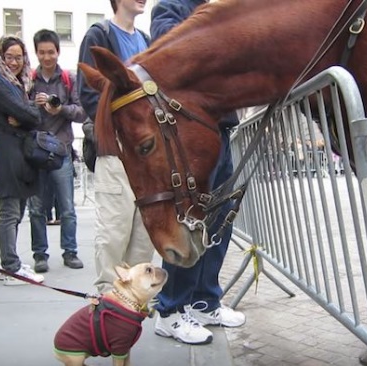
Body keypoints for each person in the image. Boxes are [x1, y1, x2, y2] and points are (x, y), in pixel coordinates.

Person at [150, 0, 245, 345]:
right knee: (190, 221)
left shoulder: (217, 9)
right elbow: (171, 49)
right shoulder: (171, 8)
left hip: (220, 127)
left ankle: (205, 301)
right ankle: (170, 310)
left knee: (220, 219)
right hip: (191, 131)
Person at [78, 0, 155, 294]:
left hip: (145, 153)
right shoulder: (99, 35)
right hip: (116, 151)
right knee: (114, 231)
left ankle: (133, 303)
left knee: (142, 236)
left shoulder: (145, 40)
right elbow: (87, 92)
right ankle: (108, 303)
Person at [0, 35, 45, 286]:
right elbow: (32, 116)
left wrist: (27, 113)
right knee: (9, 211)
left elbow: (29, 115)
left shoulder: (16, 85)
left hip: (18, 151)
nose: (15, 62)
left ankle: (12, 262)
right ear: (0, 58)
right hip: (7, 151)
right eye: (9, 57)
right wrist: (28, 113)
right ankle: (10, 266)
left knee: (17, 212)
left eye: (19, 57)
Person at [28, 29, 86, 273]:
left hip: (61, 150)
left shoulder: (68, 79)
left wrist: (59, 108)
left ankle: (70, 252)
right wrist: (34, 105)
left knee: (68, 208)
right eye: (42, 52)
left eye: (50, 52)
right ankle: (40, 255)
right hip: (36, 151)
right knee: (36, 209)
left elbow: (82, 112)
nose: (47, 57)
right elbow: (20, 112)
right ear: (37, 53)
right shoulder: (29, 80)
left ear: (58, 52)